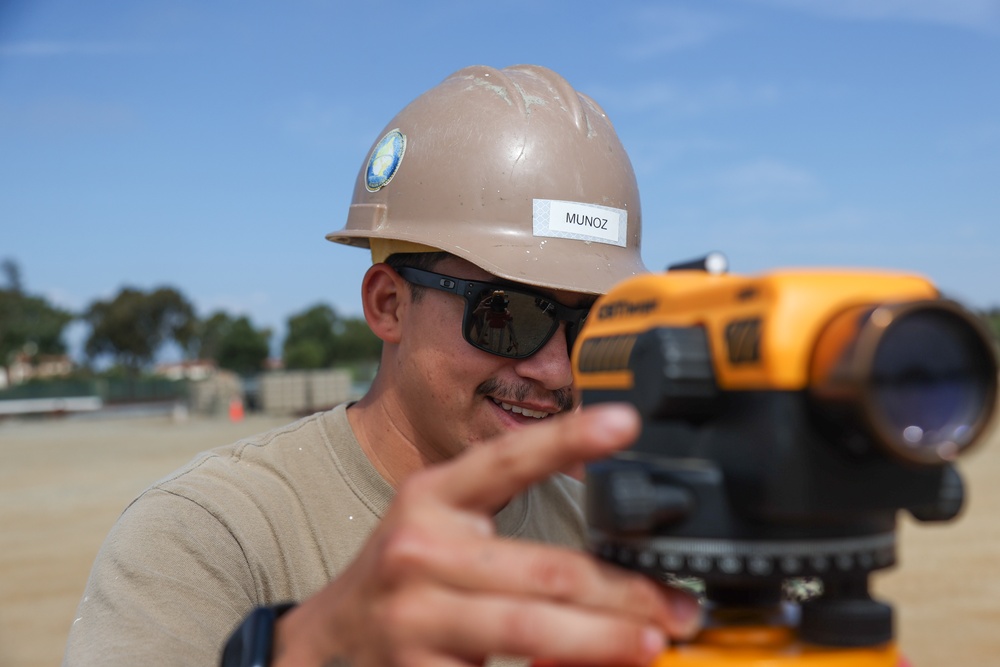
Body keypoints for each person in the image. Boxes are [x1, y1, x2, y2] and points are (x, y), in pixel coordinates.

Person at [62, 64, 701, 667]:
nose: (557, 370)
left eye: (591, 322)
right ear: (389, 304)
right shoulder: (209, 535)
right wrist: (310, 647)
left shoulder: (607, 529)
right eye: (509, 315)